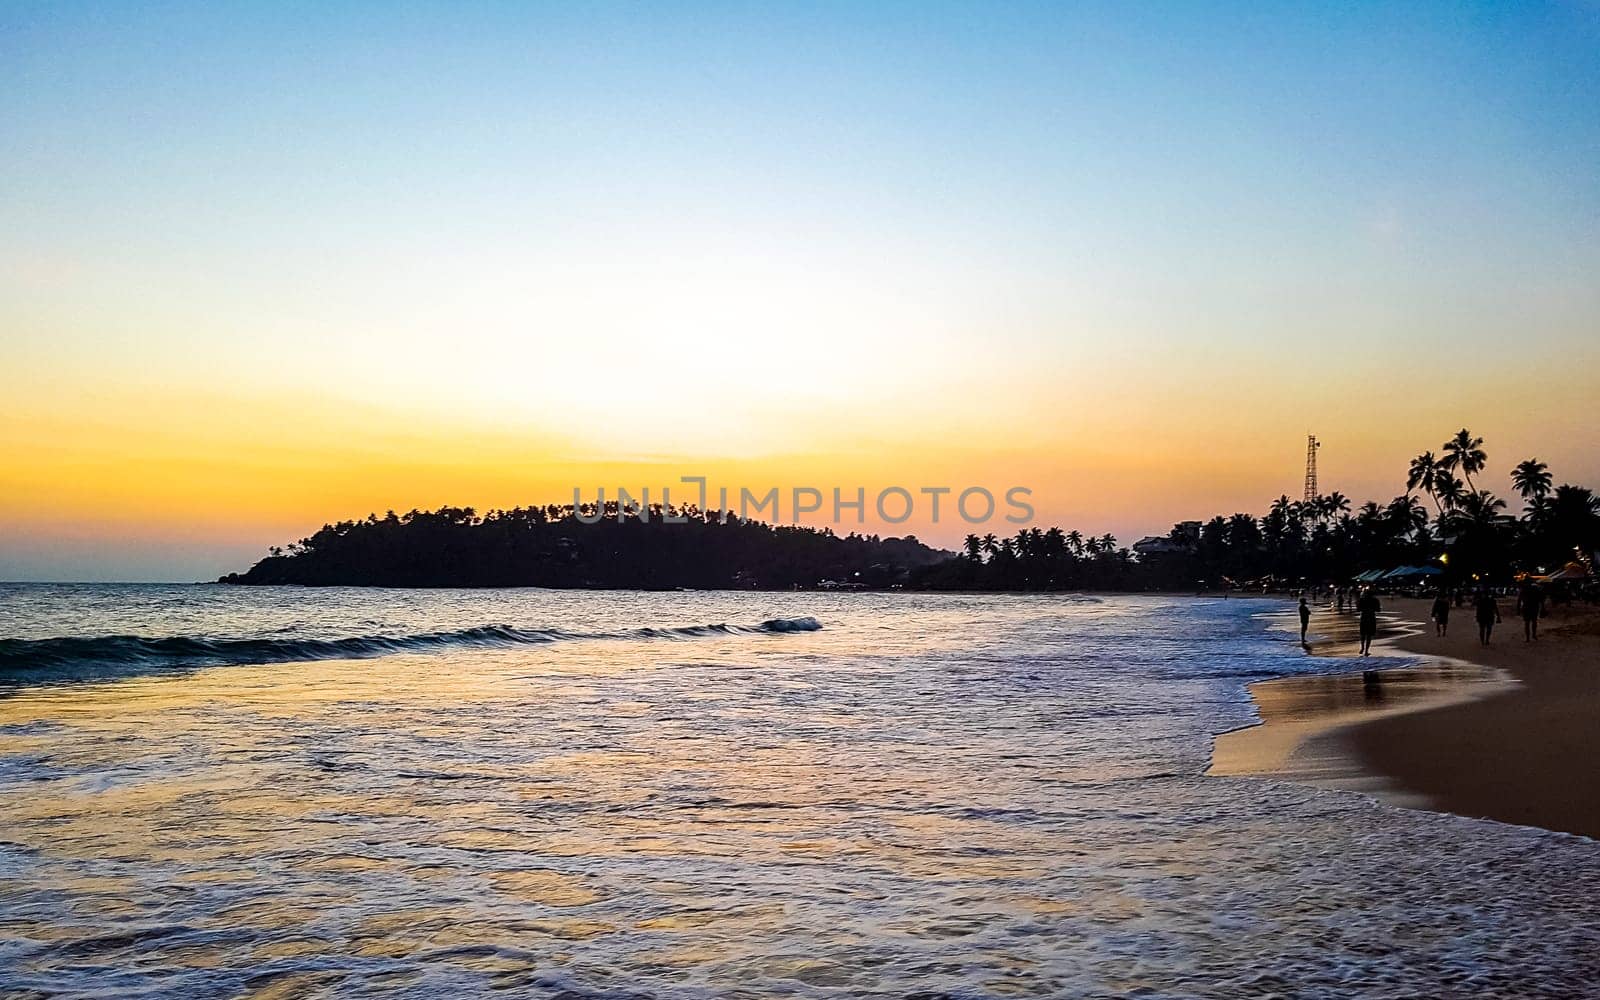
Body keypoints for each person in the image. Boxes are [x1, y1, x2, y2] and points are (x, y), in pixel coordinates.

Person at [1356, 588, 1380, 656]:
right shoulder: (1375, 600)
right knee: (1369, 635)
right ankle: (1366, 651)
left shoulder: (1362, 599)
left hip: (1363, 617)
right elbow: (1378, 610)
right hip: (1371, 617)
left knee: (1362, 634)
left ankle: (1362, 648)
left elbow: (1358, 609)